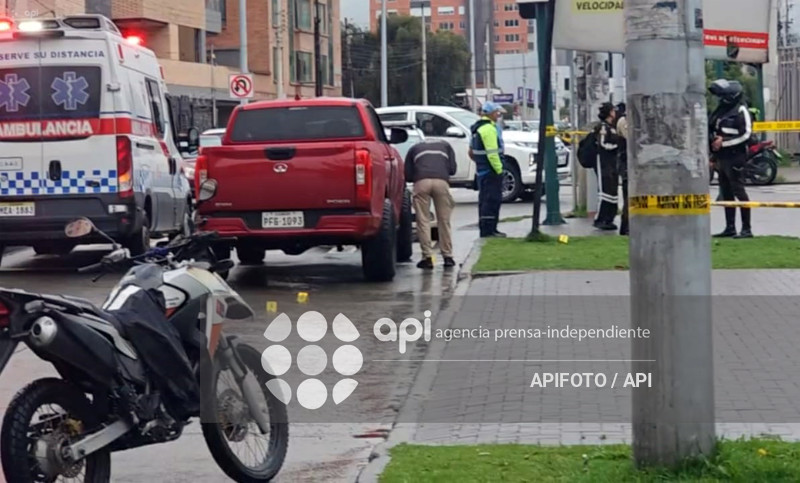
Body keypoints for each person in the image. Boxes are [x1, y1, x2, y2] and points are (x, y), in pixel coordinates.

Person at [708, 79, 753, 238]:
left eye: (723, 96)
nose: (720, 99)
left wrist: (724, 143)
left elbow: (746, 134)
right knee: (726, 193)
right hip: (722, 158)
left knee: (739, 191)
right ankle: (730, 227)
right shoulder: (720, 111)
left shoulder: (741, 110)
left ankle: (746, 229)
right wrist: (713, 155)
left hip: (736, 157)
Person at [405, 137, 458, 270]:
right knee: (444, 220)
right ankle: (448, 257)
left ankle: (427, 258)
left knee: (423, 220)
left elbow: (408, 175)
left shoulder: (414, 148)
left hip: (421, 182)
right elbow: (452, 169)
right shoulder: (446, 145)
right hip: (441, 182)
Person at [470, 102, 507, 238]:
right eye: (497, 112)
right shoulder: (489, 129)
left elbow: (471, 152)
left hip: (482, 170)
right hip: (491, 171)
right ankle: (489, 230)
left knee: (485, 200)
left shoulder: (476, 128)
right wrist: (499, 170)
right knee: (492, 200)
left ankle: (488, 228)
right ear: (490, 114)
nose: (498, 115)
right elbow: (492, 153)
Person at [593, 102, 622, 231]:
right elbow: (603, 144)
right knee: (605, 192)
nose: (615, 113)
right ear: (609, 113)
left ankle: (609, 218)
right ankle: (600, 219)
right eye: (613, 111)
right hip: (604, 163)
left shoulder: (612, 127)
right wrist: (618, 146)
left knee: (613, 191)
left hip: (612, 164)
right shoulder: (603, 127)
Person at [615, 102, 629, 236]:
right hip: (625, 163)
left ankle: (627, 227)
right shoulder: (624, 122)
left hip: (628, 163)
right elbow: (630, 139)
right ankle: (625, 227)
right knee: (628, 198)